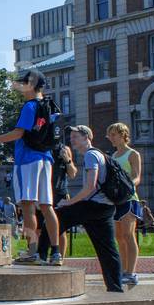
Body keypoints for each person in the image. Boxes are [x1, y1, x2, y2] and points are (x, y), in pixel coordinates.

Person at [0, 69, 61, 266]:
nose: (20, 87)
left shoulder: (30, 106)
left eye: (23, 84)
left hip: (27, 159)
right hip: (46, 158)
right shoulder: (51, 106)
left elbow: (17, 134)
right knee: (47, 207)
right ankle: (55, 253)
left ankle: (32, 252)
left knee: (27, 205)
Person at [50, 125, 124, 292]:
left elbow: (89, 186)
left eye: (76, 136)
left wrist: (71, 202)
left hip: (94, 205)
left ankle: (40, 253)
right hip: (105, 206)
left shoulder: (91, 155)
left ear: (87, 137)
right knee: (107, 249)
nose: (72, 139)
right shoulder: (99, 154)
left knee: (55, 222)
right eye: (71, 137)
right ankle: (115, 287)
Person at [107, 122, 143, 286]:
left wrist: (127, 185)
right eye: (110, 135)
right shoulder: (113, 156)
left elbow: (137, 177)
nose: (111, 138)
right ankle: (123, 270)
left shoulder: (132, 154)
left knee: (129, 235)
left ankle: (132, 272)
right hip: (117, 201)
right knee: (119, 236)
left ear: (123, 135)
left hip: (129, 199)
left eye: (113, 134)